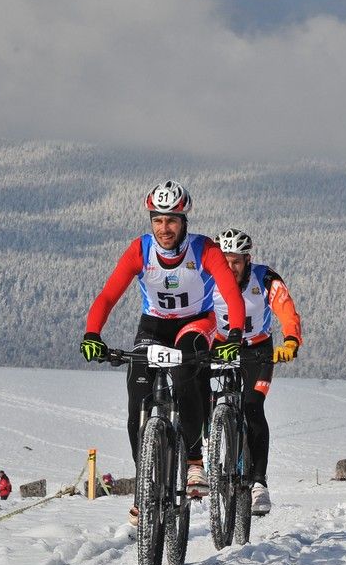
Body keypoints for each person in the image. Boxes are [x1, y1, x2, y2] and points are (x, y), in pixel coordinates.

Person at [80, 181, 246, 525]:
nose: (164, 228)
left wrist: (235, 333)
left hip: (197, 323)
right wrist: (92, 333)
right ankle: (146, 486)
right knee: (137, 395)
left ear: (183, 221)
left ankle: (195, 463)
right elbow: (108, 295)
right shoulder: (140, 250)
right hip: (153, 325)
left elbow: (231, 293)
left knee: (187, 369)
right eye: (158, 220)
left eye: (171, 220)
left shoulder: (204, 249)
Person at [209, 228, 302, 515]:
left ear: (247, 259)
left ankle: (259, 483)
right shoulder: (208, 277)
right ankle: (200, 461)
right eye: (225, 261)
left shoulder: (264, 278)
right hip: (220, 345)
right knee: (198, 393)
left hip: (257, 349)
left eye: (236, 261)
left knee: (252, 407)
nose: (230, 267)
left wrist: (290, 340)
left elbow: (286, 309)